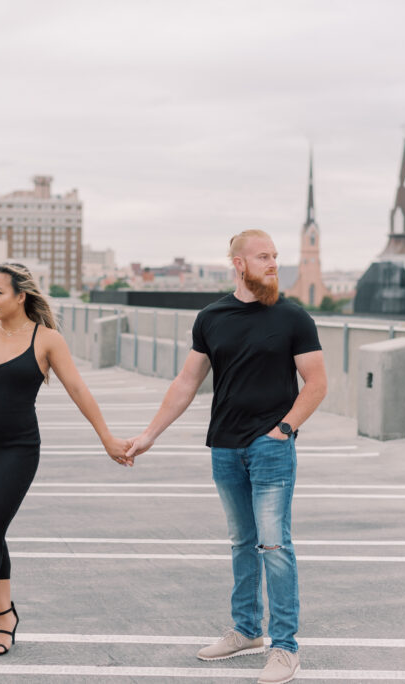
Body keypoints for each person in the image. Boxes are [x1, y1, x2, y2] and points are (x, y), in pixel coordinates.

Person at [125, 230, 327, 684]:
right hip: (224, 446)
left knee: (274, 545)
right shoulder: (211, 317)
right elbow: (185, 383)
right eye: (263, 256)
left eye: (275, 256)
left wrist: (284, 430)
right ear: (239, 263)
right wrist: (149, 434)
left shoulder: (293, 317)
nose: (273, 263)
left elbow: (316, 383)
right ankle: (246, 630)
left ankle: (285, 648)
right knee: (241, 542)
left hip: (270, 445)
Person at [0, 262, 131, 668]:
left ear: (20, 295)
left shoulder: (47, 340)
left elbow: (79, 390)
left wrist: (107, 438)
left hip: (17, 450)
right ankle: (6, 618)